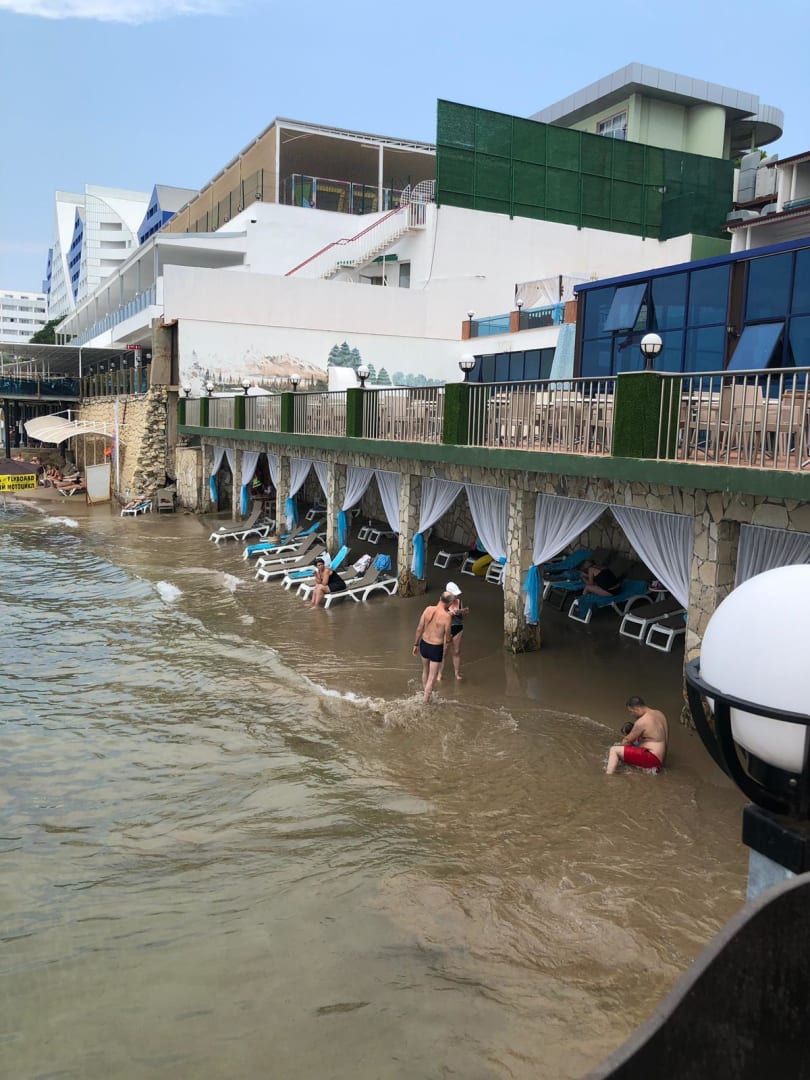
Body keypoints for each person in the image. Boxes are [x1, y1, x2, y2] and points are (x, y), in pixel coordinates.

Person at [606, 696, 669, 774]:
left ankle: (608, 775)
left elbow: (626, 741)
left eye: (631, 711)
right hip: (660, 759)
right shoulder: (660, 714)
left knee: (614, 750)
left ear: (637, 709)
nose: (631, 714)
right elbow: (666, 739)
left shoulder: (642, 721)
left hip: (652, 759)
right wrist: (662, 762)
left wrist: (620, 754)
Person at [412, 591, 453, 703]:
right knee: (432, 678)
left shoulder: (428, 609)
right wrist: (449, 640)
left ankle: (425, 694)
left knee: (425, 670)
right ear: (449, 604)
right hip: (435, 648)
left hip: (424, 644)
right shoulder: (447, 617)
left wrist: (416, 644)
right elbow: (447, 638)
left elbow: (419, 628)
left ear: (440, 598)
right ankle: (425, 702)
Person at [441, 581, 469, 682]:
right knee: (444, 652)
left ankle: (457, 673)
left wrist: (461, 611)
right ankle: (439, 674)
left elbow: (465, 613)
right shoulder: (443, 602)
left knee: (456, 651)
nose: (456, 596)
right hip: (447, 628)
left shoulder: (459, 601)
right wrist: (450, 613)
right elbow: (439, 616)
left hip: (458, 627)